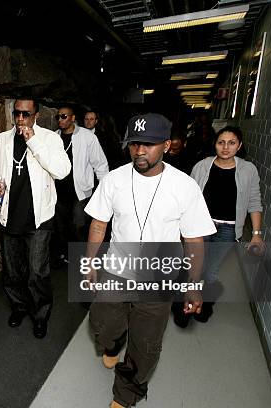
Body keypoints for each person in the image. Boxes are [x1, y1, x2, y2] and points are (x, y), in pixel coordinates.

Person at [83, 113, 216, 408]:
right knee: (102, 323)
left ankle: (125, 395)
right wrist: (90, 262)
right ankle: (113, 342)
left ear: (166, 145)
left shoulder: (184, 186)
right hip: (117, 270)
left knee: (145, 346)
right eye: (134, 144)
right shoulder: (114, 180)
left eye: (149, 144)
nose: (140, 151)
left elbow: (193, 240)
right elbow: (98, 225)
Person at [0, 98, 71, 339]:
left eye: (26, 114)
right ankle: (19, 307)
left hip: (39, 218)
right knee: (12, 271)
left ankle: (41, 315)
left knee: (37, 272)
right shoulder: (0, 140)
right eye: (17, 114)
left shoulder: (50, 139)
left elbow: (62, 171)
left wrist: (33, 141)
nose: (20, 119)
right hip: (9, 215)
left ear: (37, 115)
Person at [179, 125, 264, 324]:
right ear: (215, 144)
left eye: (231, 143)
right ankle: (184, 306)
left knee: (210, 271)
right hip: (199, 226)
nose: (226, 147)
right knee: (192, 267)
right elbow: (187, 196)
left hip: (227, 229)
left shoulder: (248, 170)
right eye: (221, 142)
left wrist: (257, 234)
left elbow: (254, 201)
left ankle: (204, 305)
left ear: (239, 145)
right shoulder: (202, 166)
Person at [52, 105, 108, 266]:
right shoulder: (54, 138)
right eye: (58, 117)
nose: (60, 120)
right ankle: (65, 255)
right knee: (60, 226)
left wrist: (104, 191)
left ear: (73, 118)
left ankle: (84, 257)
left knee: (78, 225)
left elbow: (100, 164)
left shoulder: (87, 137)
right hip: (59, 191)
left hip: (81, 191)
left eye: (64, 116)